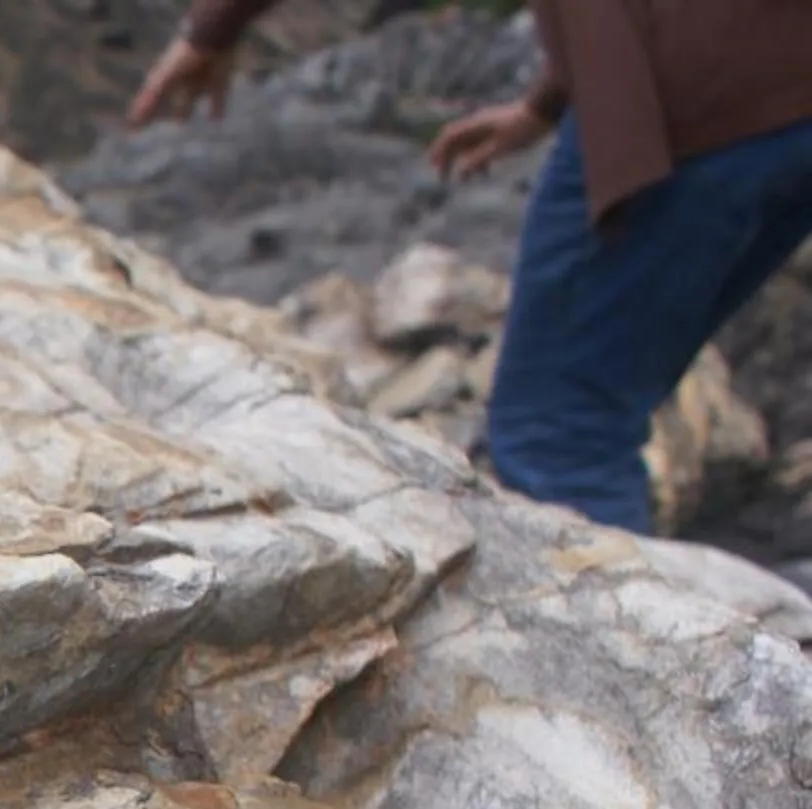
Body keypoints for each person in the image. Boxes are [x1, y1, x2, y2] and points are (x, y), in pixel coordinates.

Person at [129, 0, 812, 536]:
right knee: (602, 400)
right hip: (775, 94)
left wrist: (213, 26)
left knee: (560, 431)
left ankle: (637, 699)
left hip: (687, 106)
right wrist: (547, 100)